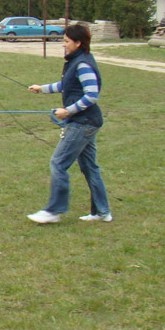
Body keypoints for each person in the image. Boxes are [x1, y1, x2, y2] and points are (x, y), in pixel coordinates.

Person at [27, 22, 111, 224]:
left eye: (66, 41)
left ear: (78, 43)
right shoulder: (76, 61)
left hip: (83, 122)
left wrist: (68, 111)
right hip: (85, 121)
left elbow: (92, 95)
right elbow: (66, 85)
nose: (63, 45)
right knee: (89, 167)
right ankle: (102, 212)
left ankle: (53, 210)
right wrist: (42, 88)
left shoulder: (82, 64)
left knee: (58, 162)